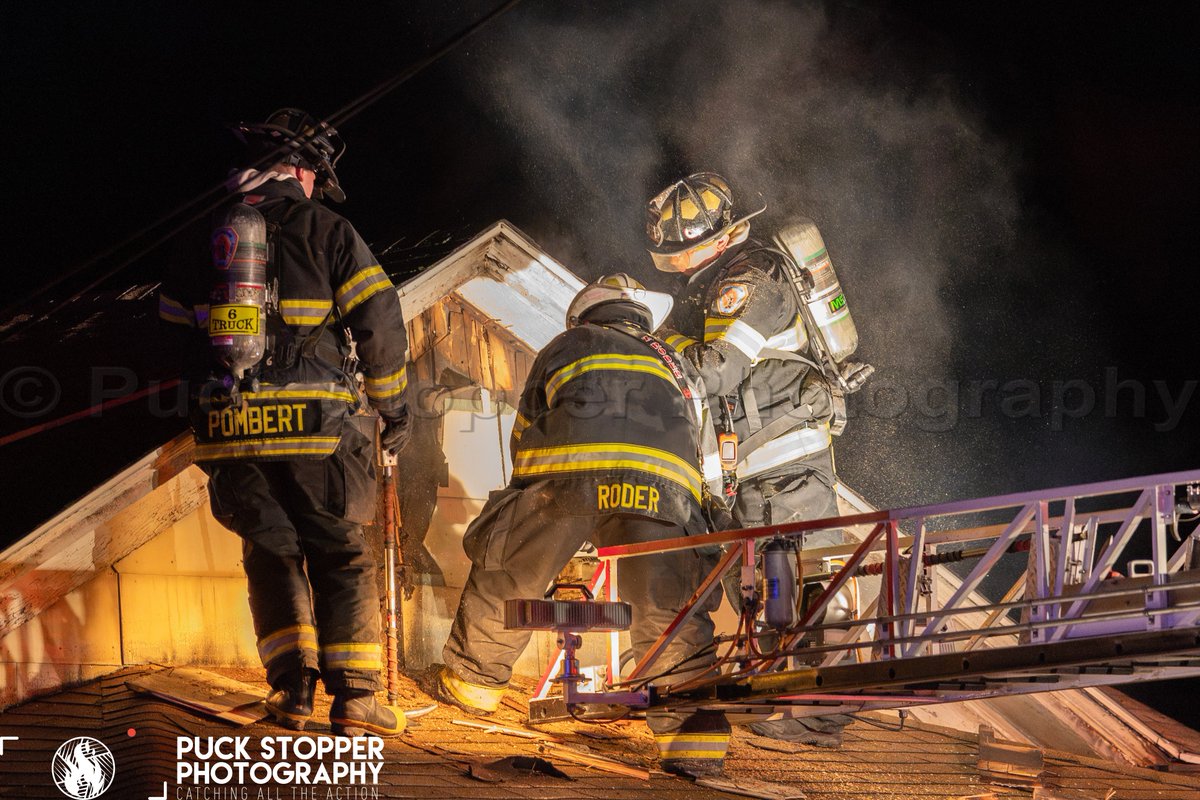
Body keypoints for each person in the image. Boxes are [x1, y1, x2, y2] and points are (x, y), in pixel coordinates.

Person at [158, 108, 413, 737]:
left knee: (270, 553)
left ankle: (292, 693)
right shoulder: (326, 228)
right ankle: (355, 700)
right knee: (340, 553)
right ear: (303, 170)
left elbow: (168, 335)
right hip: (316, 430)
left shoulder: (205, 238)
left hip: (230, 427)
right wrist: (393, 407)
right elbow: (378, 320)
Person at [429, 274, 733, 778]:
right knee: (666, 609)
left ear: (586, 314)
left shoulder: (567, 344)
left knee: (511, 568)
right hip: (663, 490)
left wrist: (529, 512)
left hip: (568, 480)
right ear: (640, 319)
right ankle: (692, 741)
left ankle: (473, 683)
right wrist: (698, 511)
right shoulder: (677, 365)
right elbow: (705, 452)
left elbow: (525, 430)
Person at [646, 172, 870, 745]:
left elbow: (718, 368)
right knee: (769, 590)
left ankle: (822, 715)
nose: (675, 261)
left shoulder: (752, 278)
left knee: (809, 579)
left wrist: (659, 362)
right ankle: (783, 701)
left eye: (684, 248)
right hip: (749, 466)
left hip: (785, 457)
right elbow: (672, 351)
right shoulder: (703, 289)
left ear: (721, 236)